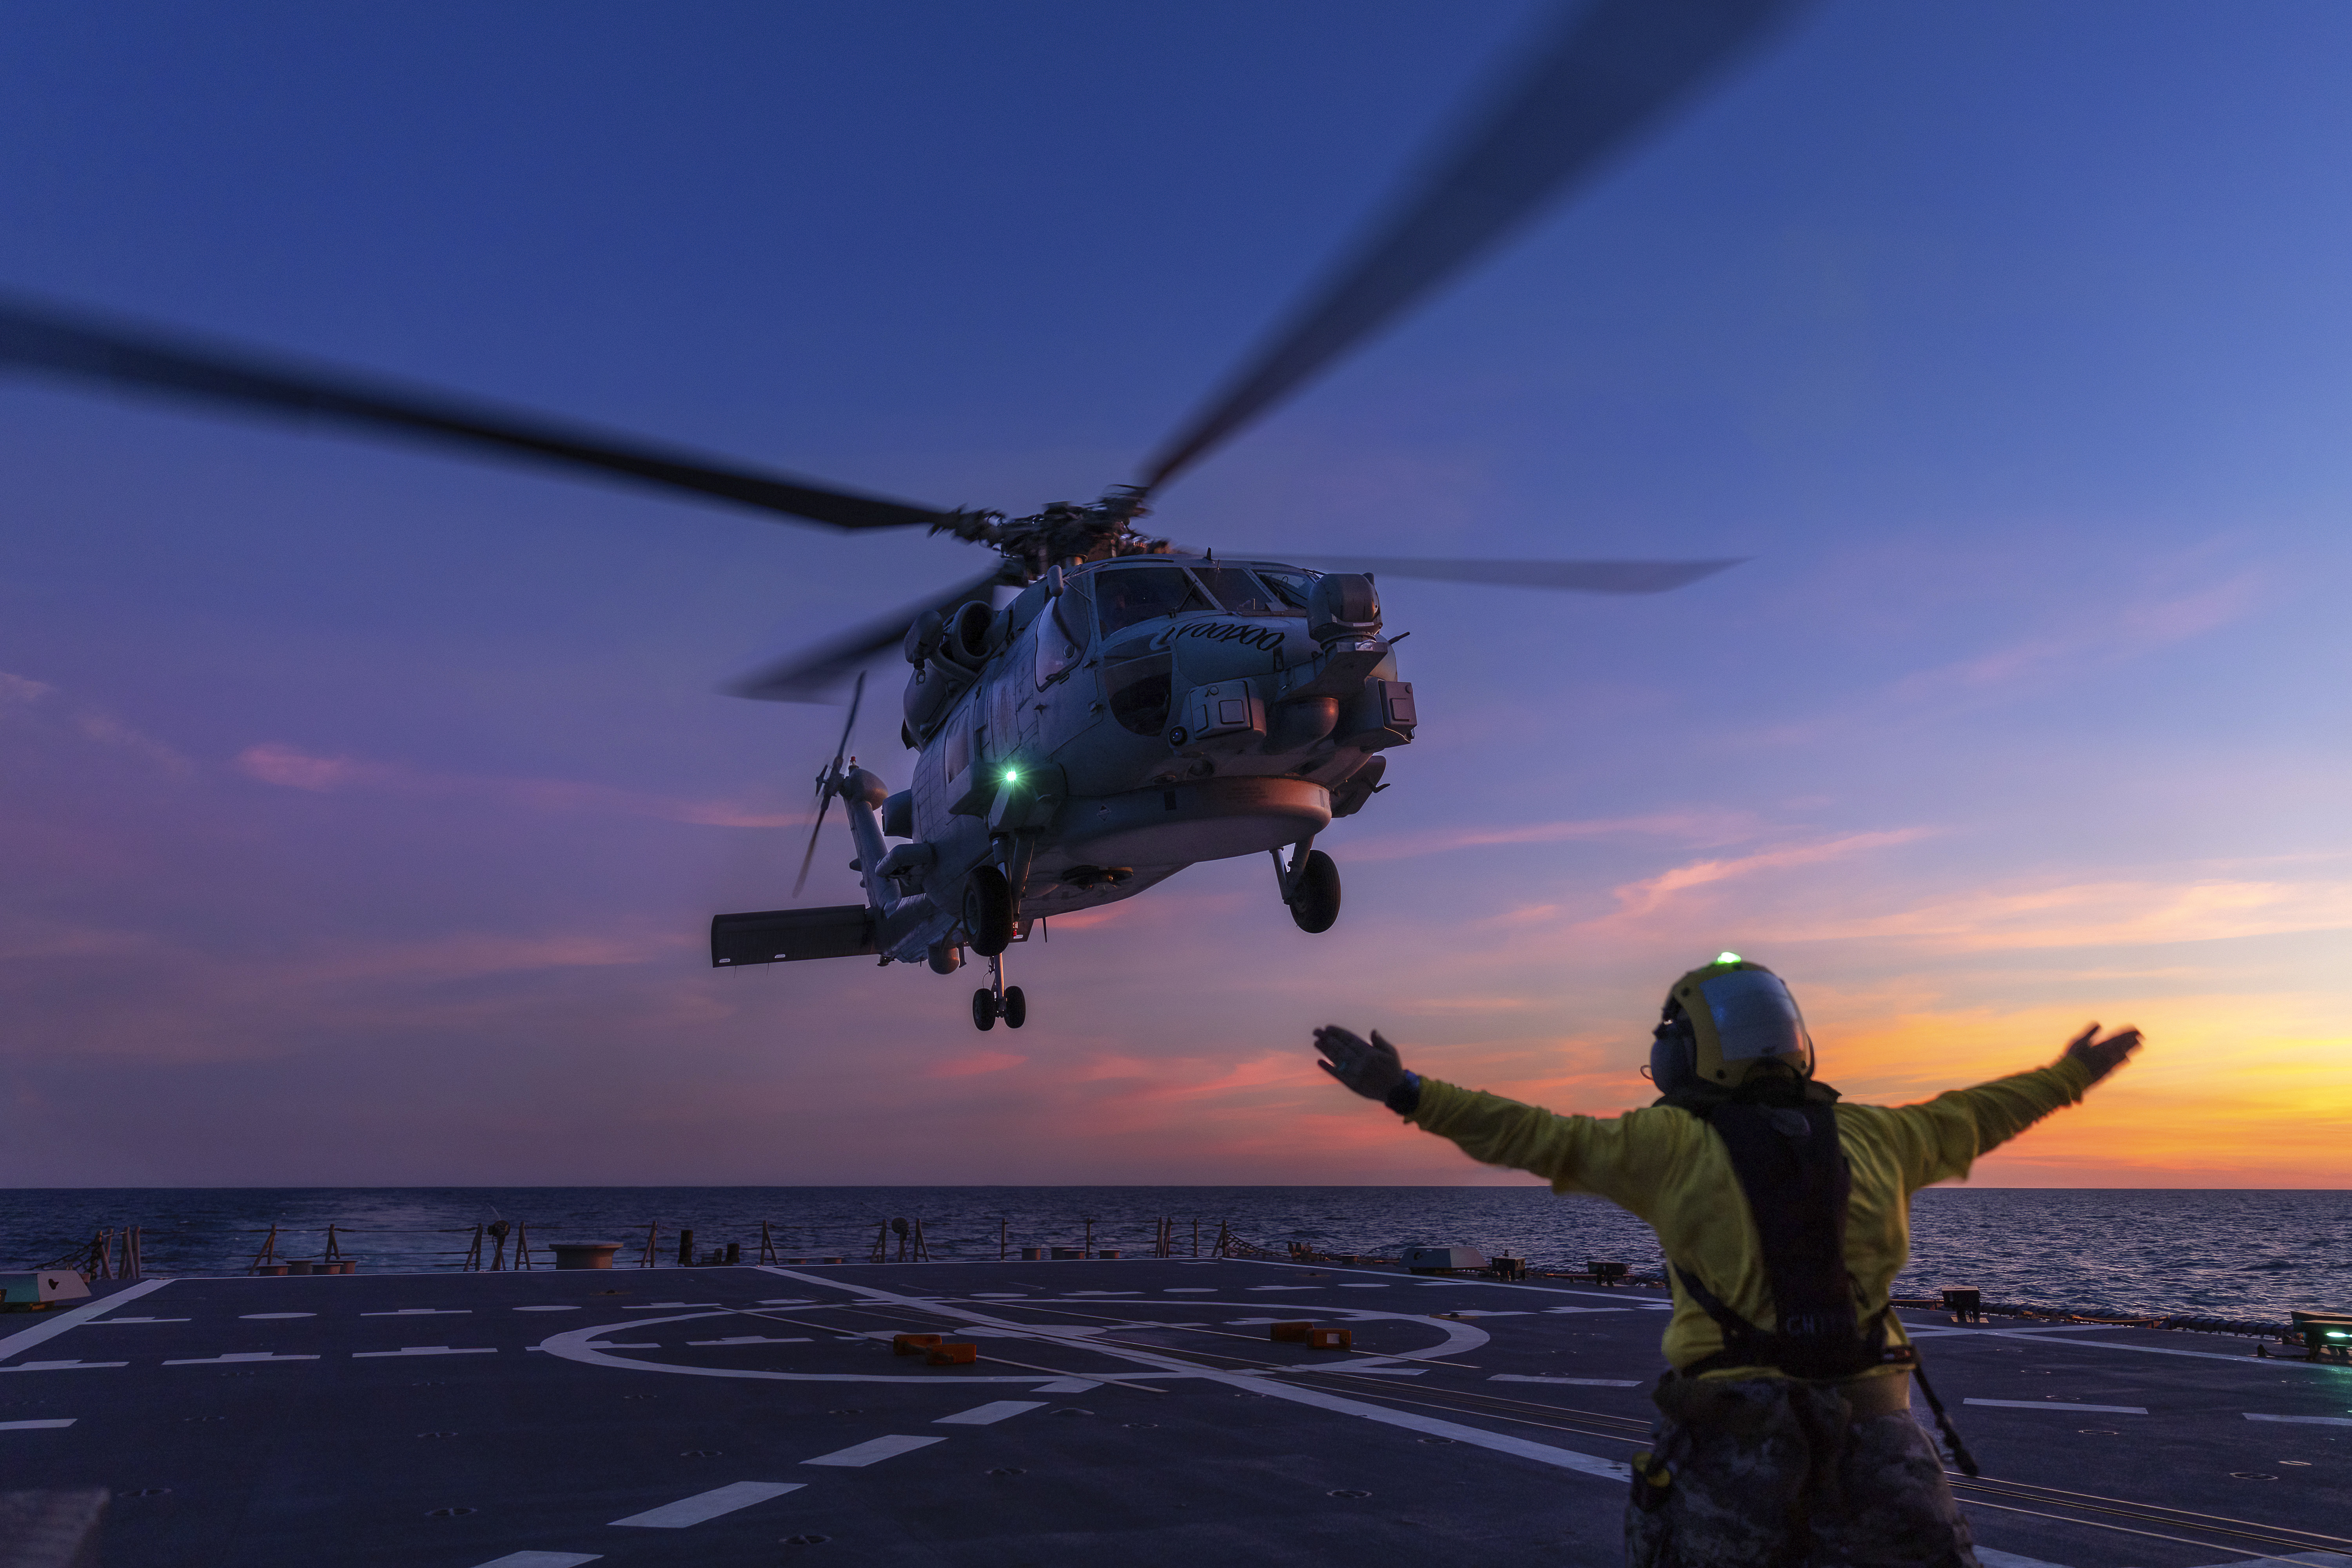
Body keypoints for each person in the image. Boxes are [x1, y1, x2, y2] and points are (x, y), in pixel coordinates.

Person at [1311, 953, 2142, 1568]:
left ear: (1690, 1050)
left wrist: (1407, 1089)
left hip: (1733, 1451)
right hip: (1882, 1441)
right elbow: (1983, 1112)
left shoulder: (1669, 1144)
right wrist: (2071, 1074)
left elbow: (1532, 1132)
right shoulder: (1884, 1135)